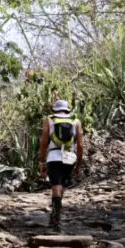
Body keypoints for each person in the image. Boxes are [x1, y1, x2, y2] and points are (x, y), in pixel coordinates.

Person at [38, 99, 84, 231]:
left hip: (54, 156)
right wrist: (79, 163)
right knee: (62, 186)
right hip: (70, 158)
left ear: (55, 110)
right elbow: (80, 145)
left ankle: (55, 218)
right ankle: (57, 214)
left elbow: (44, 142)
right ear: (67, 109)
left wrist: (42, 160)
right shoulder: (76, 121)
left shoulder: (49, 120)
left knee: (56, 186)